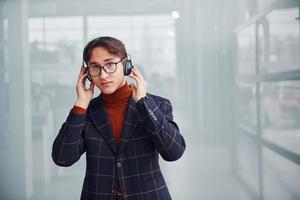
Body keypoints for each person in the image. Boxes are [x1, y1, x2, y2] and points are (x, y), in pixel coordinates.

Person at [52, 36, 186, 200]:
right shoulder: (85, 111)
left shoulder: (156, 105)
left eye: (110, 65)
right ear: (86, 73)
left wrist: (144, 103)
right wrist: (80, 103)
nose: (103, 75)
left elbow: (174, 152)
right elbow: (62, 158)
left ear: (126, 66)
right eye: (95, 67)